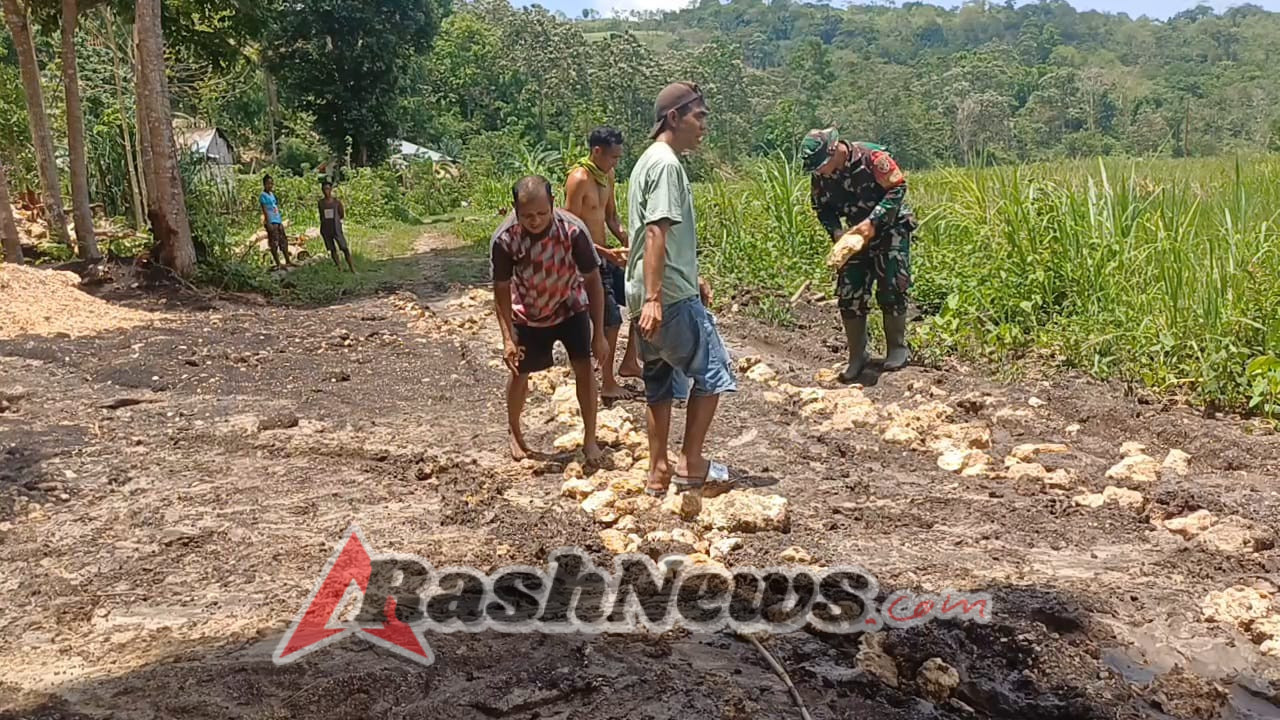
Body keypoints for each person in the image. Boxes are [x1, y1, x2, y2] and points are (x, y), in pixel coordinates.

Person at [626, 81, 737, 497]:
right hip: (667, 297)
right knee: (713, 371)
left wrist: (684, 280)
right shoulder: (668, 164)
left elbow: (652, 236)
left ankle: (658, 470)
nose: (704, 126)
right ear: (674, 118)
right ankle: (692, 462)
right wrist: (658, 297)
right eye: (700, 116)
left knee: (659, 379)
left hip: (647, 293)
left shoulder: (644, 163)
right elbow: (656, 230)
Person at [492, 176, 610, 463]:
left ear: (553, 205)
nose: (535, 221)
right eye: (527, 216)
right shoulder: (505, 238)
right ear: (515, 210)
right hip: (528, 313)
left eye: (542, 214)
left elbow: (593, 280)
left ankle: (590, 439)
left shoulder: (572, 230)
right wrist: (507, 337)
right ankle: (515, 434)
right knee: (520, 373)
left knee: (584, 369)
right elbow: (501, 289)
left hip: (570, 306)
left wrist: (600, 333)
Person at [801, 128, 918, 382]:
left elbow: (897, 188)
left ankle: (897, 349)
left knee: (892, 283)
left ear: (835, 151)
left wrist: (873, 222)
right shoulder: (821, 176)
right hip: (855, 233)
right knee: (849, 290)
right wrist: (836, 233)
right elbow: (821, 207)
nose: (821, 173)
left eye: (823, 166)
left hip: (890, 227)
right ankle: (857, 356)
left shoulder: (871, 158)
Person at [565, 126, 643, 402]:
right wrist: (602, 253)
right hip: (587, 261)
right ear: (596, 151)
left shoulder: (607, 176)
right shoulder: (578, 179)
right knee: (610, 321)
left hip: (607, 254)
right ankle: (607, 382)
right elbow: (570, 231)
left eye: (619, 158)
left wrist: (626, 239)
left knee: (640, 299)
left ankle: (630, 361)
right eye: (613, 157)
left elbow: (611, 217)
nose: (616, 163)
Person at [318, 180, 355, 273]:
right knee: (332, 249)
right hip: (326, 229)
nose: (326, 191)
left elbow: (341, 214)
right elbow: (321, 215)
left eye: (327, 189)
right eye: (324, 189)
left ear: (331, 189)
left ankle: (352, 268)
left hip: (336, 228)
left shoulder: (336, 202)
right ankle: (339, 267)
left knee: (344, 248)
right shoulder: (321, 203)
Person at [260, 174, 292, 269]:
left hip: (277, 219)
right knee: (274, 242)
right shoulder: (263, 196)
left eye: (271, 183)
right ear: (264, 184)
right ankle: (278, 263)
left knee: (283, 240)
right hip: (271, 221)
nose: (270, 185)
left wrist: (280, 220)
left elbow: (275, 207)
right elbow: (265, 209)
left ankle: (288, 260)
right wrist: (268, 222)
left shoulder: (272, 194)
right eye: (268, 184)